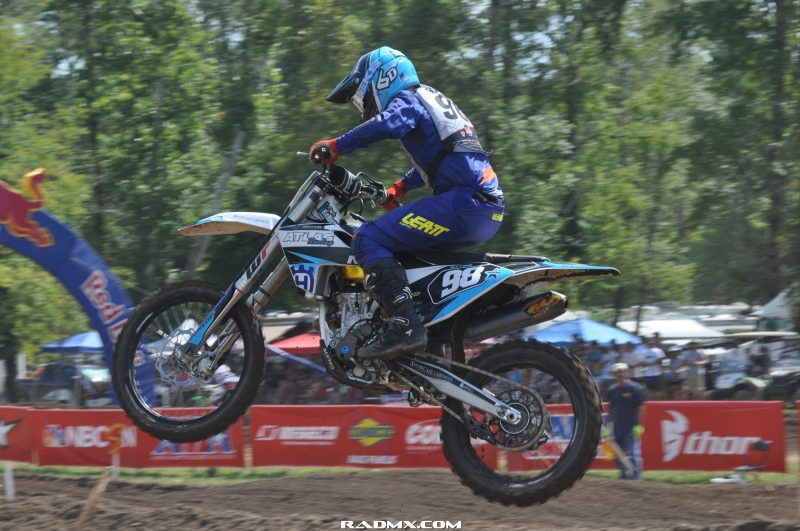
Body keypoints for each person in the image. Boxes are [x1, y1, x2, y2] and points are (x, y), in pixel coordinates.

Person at [308, 47, 504, 361]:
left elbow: (386, 124)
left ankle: (404, 325)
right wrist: (398, 188)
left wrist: (336, 145)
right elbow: (442, 157)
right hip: (484, 209)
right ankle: (428, 338)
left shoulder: (409, 99)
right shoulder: (431, 99)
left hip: (463, 205)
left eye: (361, 95)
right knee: (408, 254)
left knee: (368, 237)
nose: (362, 104)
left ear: (383, 78)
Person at [606, 363, 646, 480]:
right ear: (614, 375)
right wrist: (608, 426)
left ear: (626, 373)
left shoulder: (634, 387)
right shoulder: (612, 390)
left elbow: (641, 407)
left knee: (633, 453)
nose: (620, 374)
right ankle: (624, 475)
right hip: (617, 427)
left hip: (631, 426)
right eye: (617, 373)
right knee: (618, 453)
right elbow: (611, 409)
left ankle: (636, 477)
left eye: (622, 372)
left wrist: (638, 425)